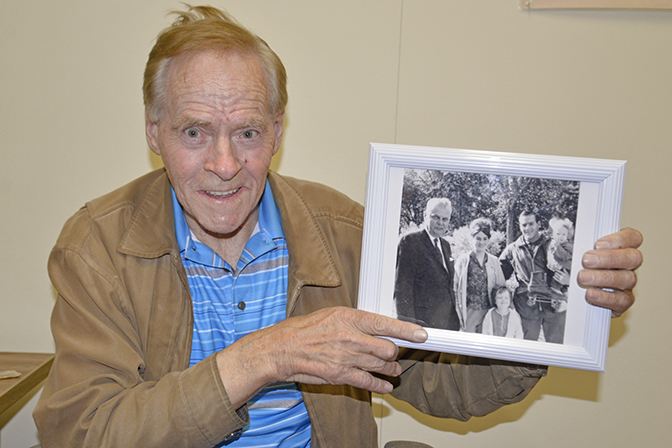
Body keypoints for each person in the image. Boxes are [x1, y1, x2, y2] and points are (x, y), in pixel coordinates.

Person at [33, 5, 644, 448]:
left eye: (247, 132)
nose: (224, 164)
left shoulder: (344, 232)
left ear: (277, 131)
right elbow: (81, 432)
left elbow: (442, 385)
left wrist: (563, 314)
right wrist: (261, 357)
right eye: (194, 132)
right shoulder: (97, 247)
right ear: (153, 131)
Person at [499, 210, 568, 343]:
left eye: (531, 224)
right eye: (524, 225)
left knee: (556, 346)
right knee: (526, 347)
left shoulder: (552, 244)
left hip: (554, 306)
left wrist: (569, 281)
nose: (527, 228)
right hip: (527, 308)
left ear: (539, 224)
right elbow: (499, 275)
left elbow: (572, 265)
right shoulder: (513, 249)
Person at [394, 198, 460, 330]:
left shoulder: (446, 245)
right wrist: (409, 328)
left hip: (446, 323)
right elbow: (403, 290)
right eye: (436, 217)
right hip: (423, 324)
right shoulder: (411, 241)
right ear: (425, 215)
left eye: (445, 219)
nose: (440, 223)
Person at [454, 218, 506, 333]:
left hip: (488, 312)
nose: (481, 242)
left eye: (484, 238)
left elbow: (501, 288)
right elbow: (455, 289)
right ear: (471, 238)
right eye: (478, 238)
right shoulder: (463, 261)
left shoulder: (494, 261)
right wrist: (458, 313)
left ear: (488, 240)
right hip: (469, 312)